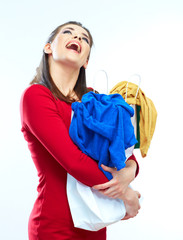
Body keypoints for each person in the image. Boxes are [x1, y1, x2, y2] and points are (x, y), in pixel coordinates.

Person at [20, 21, 141, 240]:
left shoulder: (95, 99)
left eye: (85, 38)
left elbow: (121, 148)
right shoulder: (37, 96)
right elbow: (74, 161)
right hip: (53, 226)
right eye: (68, 32)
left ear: (86, 61)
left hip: (94, 223)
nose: (77, 38)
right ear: (48, 47)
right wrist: (126, 194)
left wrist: (130, 170)